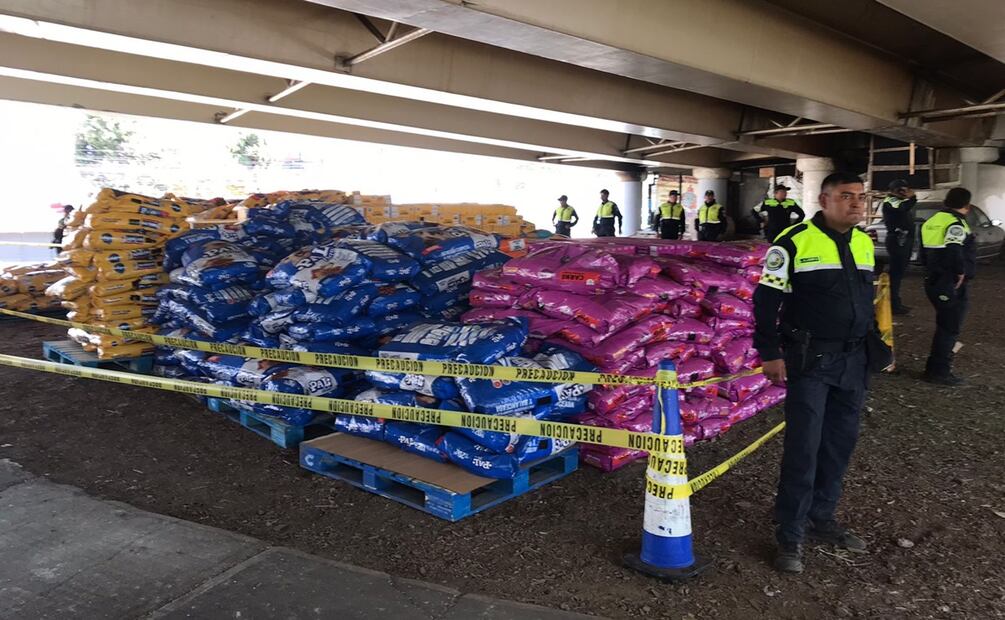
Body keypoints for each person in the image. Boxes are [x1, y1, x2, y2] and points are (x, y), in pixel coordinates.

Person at [753, 171, 876, 574]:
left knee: (839, 444)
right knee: (804, 449)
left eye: (861, 196)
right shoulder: (792, 242)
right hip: (810, 362)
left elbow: (863, 301)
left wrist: (877, 347)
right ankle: (790, 533)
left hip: (853, 363)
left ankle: (822, 517)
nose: (857, 203)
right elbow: (766, 300)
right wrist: (770, 353)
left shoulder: (863, 243)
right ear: (824, 200)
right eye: (846, 196)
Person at [920, 187, 976, 386]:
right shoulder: (956, 223)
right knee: (949, 327)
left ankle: (936, 368)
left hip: (933, 279)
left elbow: (922, 255)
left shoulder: (931, 222)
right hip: (950, 282)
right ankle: (938, 371)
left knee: (945, 324)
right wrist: (960, 273)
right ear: (967, 206)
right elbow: (954, 249)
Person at [881, 179, 917, 315]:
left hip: (902, 239)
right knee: (895, 275)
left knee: (898, 274)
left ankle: (895, 303)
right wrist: (912, 197)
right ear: (892, 191)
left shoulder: (898, 201)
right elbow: (903, 208)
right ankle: (893, 305)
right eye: (900, 190)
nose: (903, 192)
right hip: (897, 240)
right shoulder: (891, 201)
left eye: (905, 189)